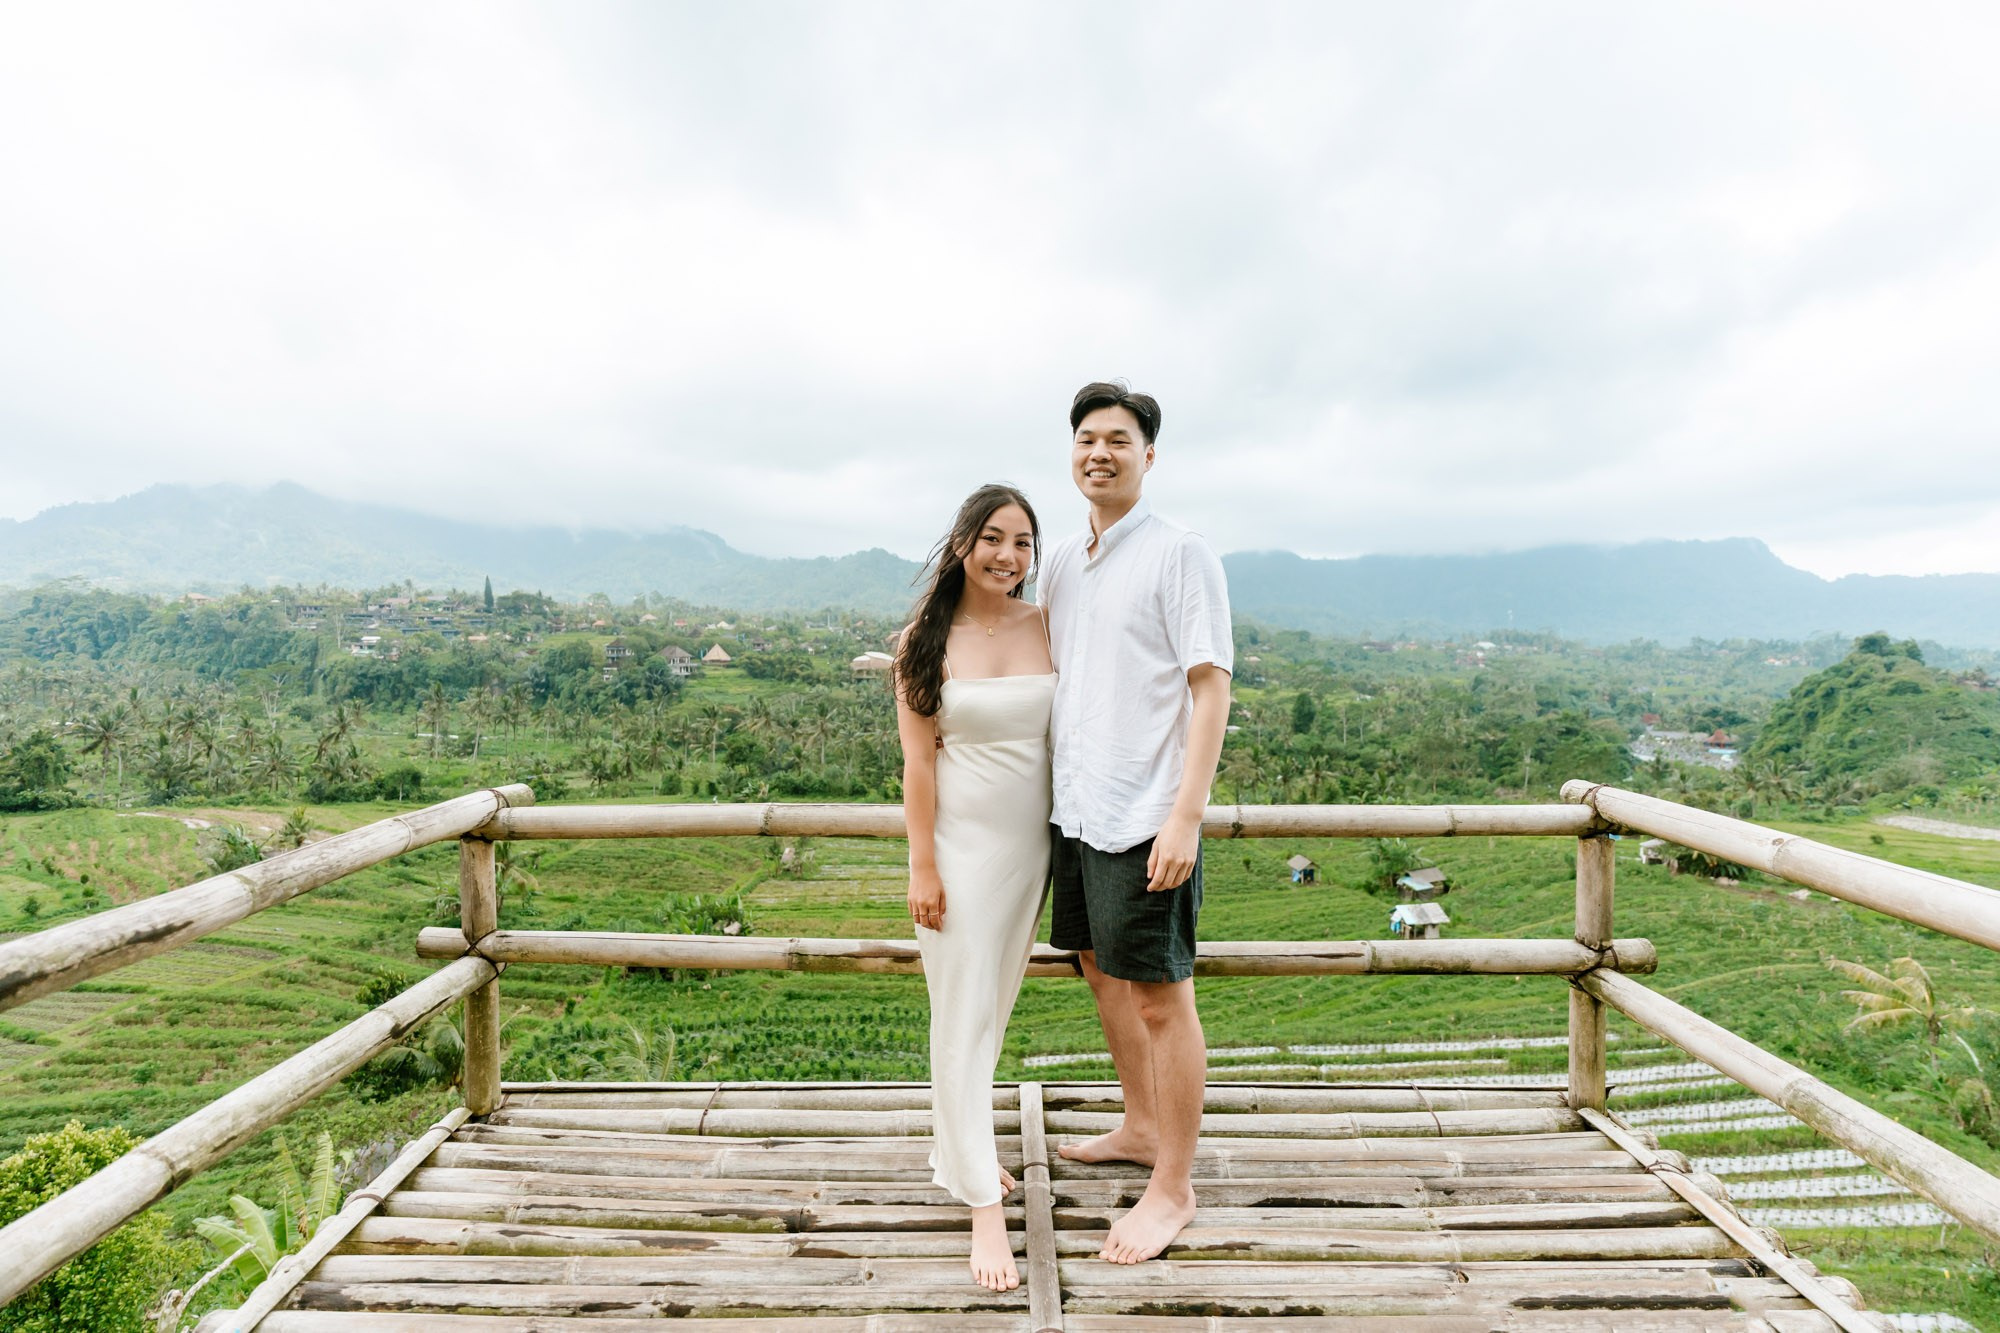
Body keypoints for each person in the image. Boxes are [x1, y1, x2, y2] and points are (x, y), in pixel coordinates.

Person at [1041, 380, 1232, 1265]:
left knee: (1161, 997)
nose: (1099, 452)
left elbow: (1210, 685)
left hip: (1145, 813)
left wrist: (1185, 816)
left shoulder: (1180, 553)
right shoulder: (1065, 564)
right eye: (1086, 438)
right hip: (1078, 811)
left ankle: (1174, 1186)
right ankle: (1142, 1123)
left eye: (1118, 439)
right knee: (1098, 969)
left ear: (1148, 457)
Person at [893, 483, 1056, 1292]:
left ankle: (957, 1151)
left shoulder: (1049, 623)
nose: (1007, 555)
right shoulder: (922, 640)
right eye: (993, 537)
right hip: (957, 854)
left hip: (1030, 853)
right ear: (962, 543)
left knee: (985, 1015)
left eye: (1023, 542)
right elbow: (918, 766)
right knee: (963, 1015)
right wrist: (923, 865)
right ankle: (981, 1201)